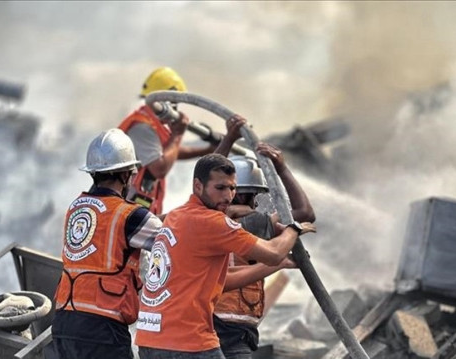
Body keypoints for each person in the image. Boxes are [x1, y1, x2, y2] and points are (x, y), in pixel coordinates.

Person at [135, 153, 315, 359]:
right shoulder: (220, 222)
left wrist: (282, 263)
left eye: (232, 188)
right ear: (198, 186)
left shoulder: (177, 217)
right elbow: (275, 251)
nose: (228, 196)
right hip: (193, 337)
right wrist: (293, 230)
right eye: (221, 189)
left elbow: (223, 277)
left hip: (152, 337)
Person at [51, 128, 163, 359]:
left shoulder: (76, 207)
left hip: (64, 321)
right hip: (102, 326)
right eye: (131, 174)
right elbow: (173, 240)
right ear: (124, 175)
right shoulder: (130, 215)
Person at [213, 128, 316, 358]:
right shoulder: (250, 221)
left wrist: (228, 140)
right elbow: (304, 213)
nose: (257, 204)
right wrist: (281, 168)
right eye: (254, 196)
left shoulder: (202, 219)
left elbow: (203, 176)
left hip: (206, 324)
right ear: (242, 195)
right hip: (232, 329)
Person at [118, 67, 216, 215]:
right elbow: (160, 168)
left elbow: (169, 152)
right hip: (128, 211)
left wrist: (207, 150)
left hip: (137, 209)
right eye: (175, 104)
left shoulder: (151, 126)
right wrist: (177, 134)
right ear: (167, 102)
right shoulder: (142, 127)